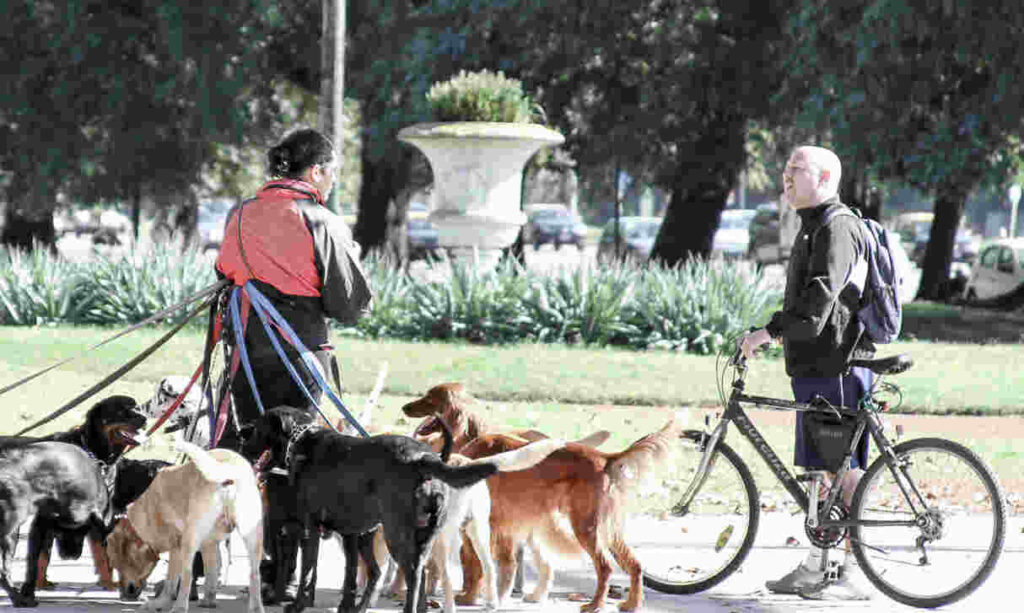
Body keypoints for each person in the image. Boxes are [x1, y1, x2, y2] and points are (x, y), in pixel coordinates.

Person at [214, 128, 372, 600]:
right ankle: (286, 575)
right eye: (332, 173)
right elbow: (351, 303)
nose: (331, 182)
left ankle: (262, 566)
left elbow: (225, 271)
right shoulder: (320, 219)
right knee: (298, 461)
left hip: (246, 351)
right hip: (301, 352)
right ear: (318, 170)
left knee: (253, 458)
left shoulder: (240, 212)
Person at [740, 145, 874, 601]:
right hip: (816, 367)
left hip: (838, 365)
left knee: (845, 470)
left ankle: (856, 573)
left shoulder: (838, 228)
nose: (786, 175)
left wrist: (768, 332)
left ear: (825, 178)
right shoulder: (813, 226)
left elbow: (817, 305)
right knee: (820, 470)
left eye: (797, 168)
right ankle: (817, 566)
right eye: (786, 168)